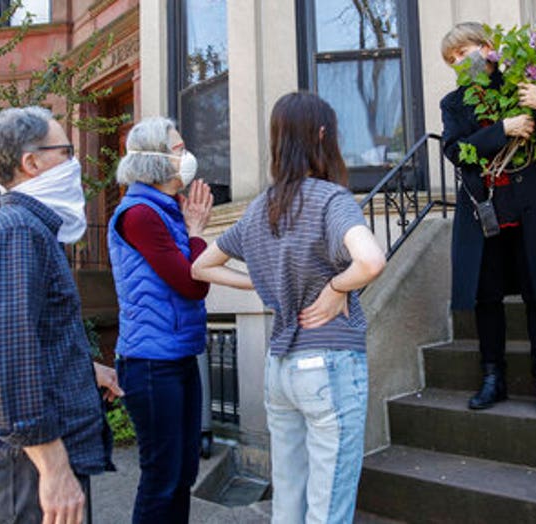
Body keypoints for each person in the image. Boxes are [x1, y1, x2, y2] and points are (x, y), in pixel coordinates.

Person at [192, 91, 386, 524]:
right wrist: (337, 286)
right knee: (328, 506)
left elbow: (201, 266)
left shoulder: (260, 207)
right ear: (322, 135)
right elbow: (371, 261)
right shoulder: (331, 200)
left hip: (280, 370)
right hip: (329, 365)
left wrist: (260, 285)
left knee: (288, 503)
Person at [0, 106, 123, 524]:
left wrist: (84, 369)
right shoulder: (17, 232)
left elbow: (26, 340)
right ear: (31, 163)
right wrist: (54, 470)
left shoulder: (29, 229)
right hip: (24, 471)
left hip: (27, 466)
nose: (75, 163)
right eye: (66, 151)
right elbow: (9, 364)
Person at [440, 23, 536, 416]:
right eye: (452, 60)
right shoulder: (454, 104)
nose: (458, 63)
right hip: (484, 209)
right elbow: (456, 150)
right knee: (487, 297)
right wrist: (501, 129)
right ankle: (493, 378)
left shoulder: (521, 85)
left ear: (487, 49)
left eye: (463, 53)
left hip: (532, 203)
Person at [107, 117, 214, 524]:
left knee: (183, 472)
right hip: (151, 365)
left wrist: (190, 230)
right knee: (162, 478)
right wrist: (197, 231)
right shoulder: (139, 215)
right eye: (178, 149)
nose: (187, 157)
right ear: (153, 160)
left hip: (179, 356)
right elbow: (192, 282)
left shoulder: (166, 211)